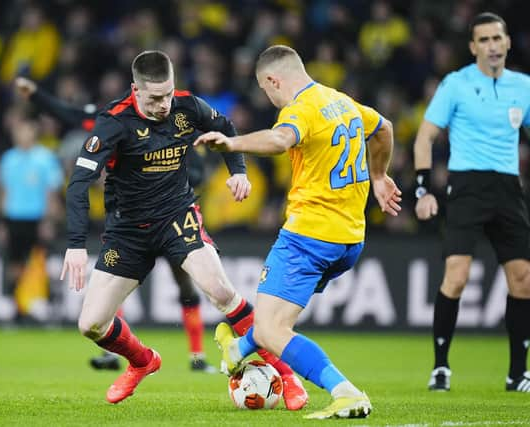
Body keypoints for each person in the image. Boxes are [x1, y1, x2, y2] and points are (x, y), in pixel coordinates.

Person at [60, 50, 308, 408]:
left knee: (222, 293)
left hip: (177, 217)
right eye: (155, 98)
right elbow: (79, 182)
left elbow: (226, 128)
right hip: (127, 231)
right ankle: (143, 361)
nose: (164, 105)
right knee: (92, 325)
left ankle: (286, 375)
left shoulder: (187, 106)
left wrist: (238, 170)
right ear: (135, 90)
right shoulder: (114, 123)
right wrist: (75, 244)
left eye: (168, 93)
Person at [195, 45, 401, 420]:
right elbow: (384, 128)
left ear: (273, 80)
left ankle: (345, 392)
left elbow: (279, 140)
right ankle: (238, 350)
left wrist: (231, 142)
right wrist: (381, 175)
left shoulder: (300, 110)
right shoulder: (341, 101)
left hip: (309, 236)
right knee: (275, 322)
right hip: (350, 238)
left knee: (272, 329)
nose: (268, 98)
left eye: (265, 89)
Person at [15, 77, 216, 373]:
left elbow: (197, 173)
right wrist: (36, 95)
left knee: (186, 285)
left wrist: (161, 183)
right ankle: (114, 354)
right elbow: (68, 114)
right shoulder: (111, 123)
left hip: (172, 221)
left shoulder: (176, 127)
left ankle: (197, 357)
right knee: (115, 284)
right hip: (132, 224)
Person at [413, 12, 530, 392]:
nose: (493, 46)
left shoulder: (523, 86)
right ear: (472, 47)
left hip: (509, 189)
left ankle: (517, 374)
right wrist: (422, 189)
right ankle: (440, 367)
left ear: (508, 42)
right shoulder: (456, 84)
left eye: (498, 38)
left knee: (523, 281)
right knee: (457, 277)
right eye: (484, 40)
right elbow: (425, 137)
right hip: (467, 187)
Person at [0, 112, 63, 323]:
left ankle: (50, 311)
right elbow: (2, 192)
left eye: (25, 130)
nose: (21, 134)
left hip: (37, 219)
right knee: (15, 266)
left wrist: (49, 221)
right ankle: (16, 312)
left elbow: (51, 193)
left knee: (43, 265)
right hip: (14, 218)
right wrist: (0, 222)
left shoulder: (45, 158)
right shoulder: (8, 159)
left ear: (33, 132)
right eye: (18, 130)